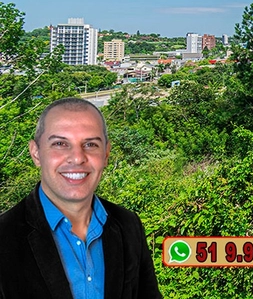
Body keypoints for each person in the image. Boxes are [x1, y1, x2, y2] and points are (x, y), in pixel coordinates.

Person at [0, 97, 162, 299]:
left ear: (106, 154)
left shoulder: (128, 225)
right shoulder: (4, 237)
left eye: (91, 144)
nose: (77, 158)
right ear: (36, 153)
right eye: (60, 143)